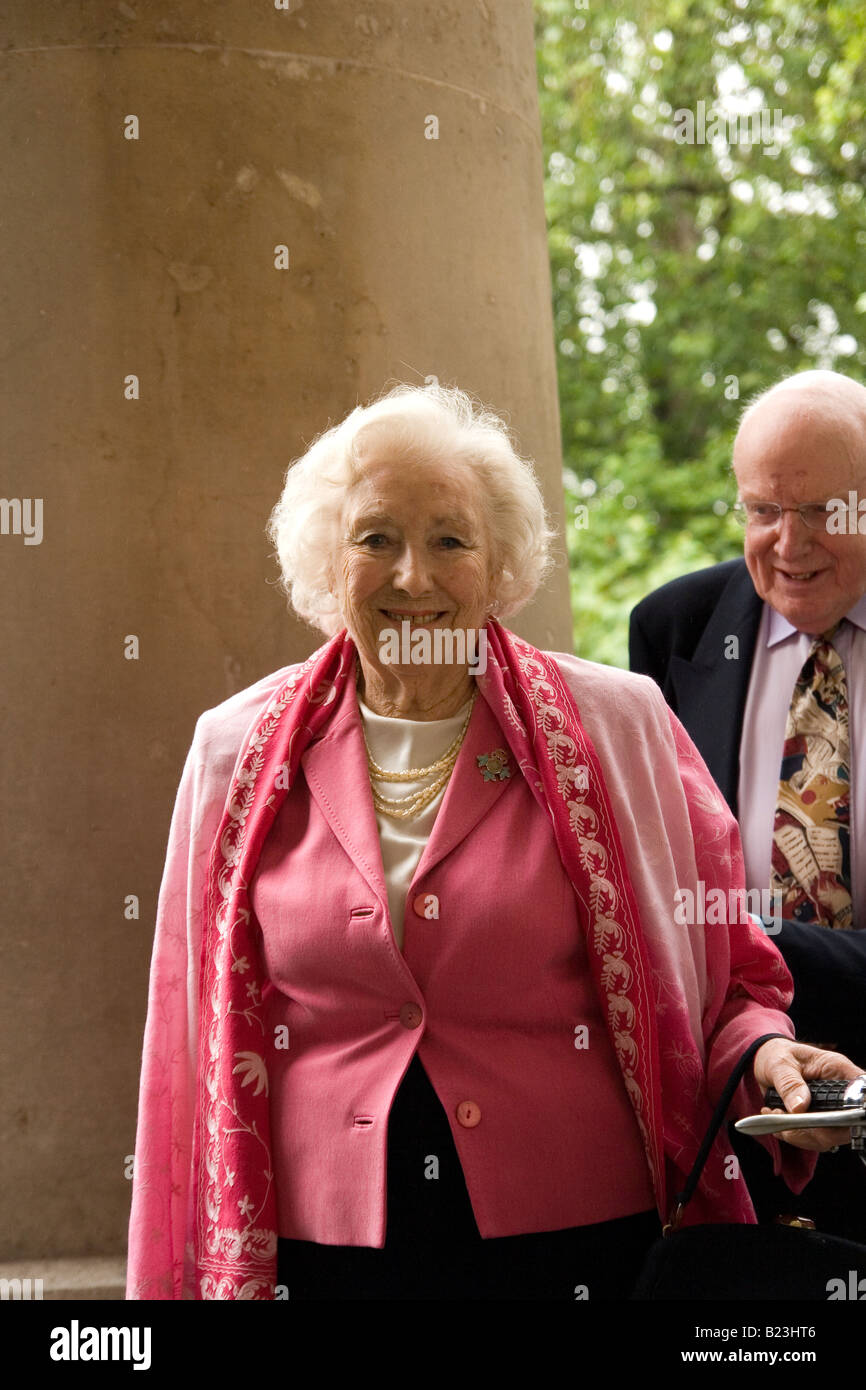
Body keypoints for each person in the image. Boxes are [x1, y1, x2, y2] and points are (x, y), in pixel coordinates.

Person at [127, 381, 860, 1302]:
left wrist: (761, 1051)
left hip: (575, 1245)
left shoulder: (617, 726)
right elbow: (184, 1028)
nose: (412, 578)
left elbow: (728, 970)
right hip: (318, 1253)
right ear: (327, 557)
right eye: (375, 538)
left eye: (449, 540)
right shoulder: (232, 749)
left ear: (499, 559)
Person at [630, 368, 866, 1237]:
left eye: (823, 513)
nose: (789, 541)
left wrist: (752, 944)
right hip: (742, 1107)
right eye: (764, 510)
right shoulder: (673, 628)